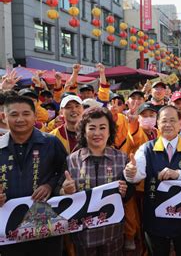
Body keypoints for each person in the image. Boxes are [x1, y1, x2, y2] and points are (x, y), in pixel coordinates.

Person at [125, 105, 181, 256]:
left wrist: (178, 174)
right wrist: (130, 172)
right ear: (157, 123)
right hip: (155, 218)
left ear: (180, 123)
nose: (168, 125)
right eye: (164, 121)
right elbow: (137, 174)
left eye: (172, 120)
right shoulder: (146, 148)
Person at [0, 96, 67, 256]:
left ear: (35, 116)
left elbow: (65, 172)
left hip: (46, 225)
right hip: (8, 228)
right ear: (4, 117)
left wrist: (50, 185)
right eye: (14, 114)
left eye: (26, 114)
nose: (20, 119)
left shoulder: (51, 142)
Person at [61, 107, 131, 256]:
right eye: (92, 128)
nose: (97, 133)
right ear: (83, 131)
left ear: (110, 131)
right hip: (82, 234)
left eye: (102, 128)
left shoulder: (122, 158)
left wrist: (126, 189)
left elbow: (128, 195)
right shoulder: (72, 160)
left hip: (112, 232)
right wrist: (65, 190)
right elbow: (62, 194)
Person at [121, 101, 159, 252]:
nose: (148, 118)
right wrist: (133, 121)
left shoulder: (158, 132)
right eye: (144, 115)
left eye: (152, 115)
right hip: (140, 187)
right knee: (141, 222)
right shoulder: (137, 132)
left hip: (156, 184)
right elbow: (134, 136)